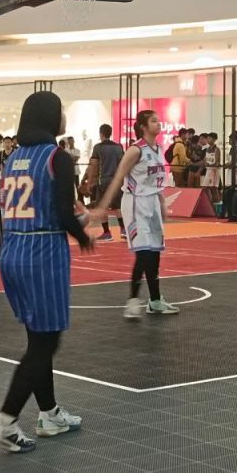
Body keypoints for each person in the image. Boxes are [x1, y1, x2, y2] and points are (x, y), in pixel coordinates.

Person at [0, 92, 91, 453]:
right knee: (46, 344)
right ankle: (5, 421)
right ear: (50, 116)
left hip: (12, 248)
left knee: (37, 338)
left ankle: (49, 413)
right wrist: (82, 235)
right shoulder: (57, 158)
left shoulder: (14, 157)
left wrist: (74, 223)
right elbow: (62, 212)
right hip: (42, 253)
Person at [91, 110, 179, 318]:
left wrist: (162, 203)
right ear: (143, 126)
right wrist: (103, 205)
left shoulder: (158, 149)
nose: (159, 123)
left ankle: (155, 301)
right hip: (135, 202)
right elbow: (118, 178)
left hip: (152, 202)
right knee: (143, 252)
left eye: (158, 120)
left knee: (154, 253)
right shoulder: (135, 150)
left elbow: (155, 182)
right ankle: (132, 300)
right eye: (154, 121)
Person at [82, 124, 125, 242]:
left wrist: (89, 182)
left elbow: (93, 166)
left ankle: (107, 233)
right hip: (117, 181)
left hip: (103, 181)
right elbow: (123, 164)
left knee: (102, 207)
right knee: (118, 206)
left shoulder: (98, 148)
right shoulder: (118, 147)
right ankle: (123, 230)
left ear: (101, 134)